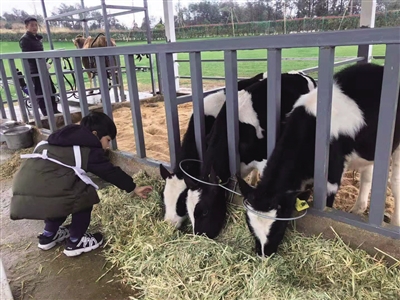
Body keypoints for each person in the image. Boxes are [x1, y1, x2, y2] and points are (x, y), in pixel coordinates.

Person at [10, 112, 153, 257]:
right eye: (108, 140)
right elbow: (109, 172)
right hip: (44, 197)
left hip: (23, 195)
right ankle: (75, 241)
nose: (107, 146)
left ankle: (48, 235)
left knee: (60, 190)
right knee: (84, 193)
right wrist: (134, 187)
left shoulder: (56, 141)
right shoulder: (87, 149)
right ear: (95, 134)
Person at [19, 16, 60, 116]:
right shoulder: (25, 39)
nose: (35, 27)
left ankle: (55, 111)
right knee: (40, 92)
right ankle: (46, 113)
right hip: (34, 70)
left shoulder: (36, 38)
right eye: (32, 25)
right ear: (26, 27)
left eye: (36, 25)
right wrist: (42, 62)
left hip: (42, 68)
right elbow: (29, 56)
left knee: (51, 89)